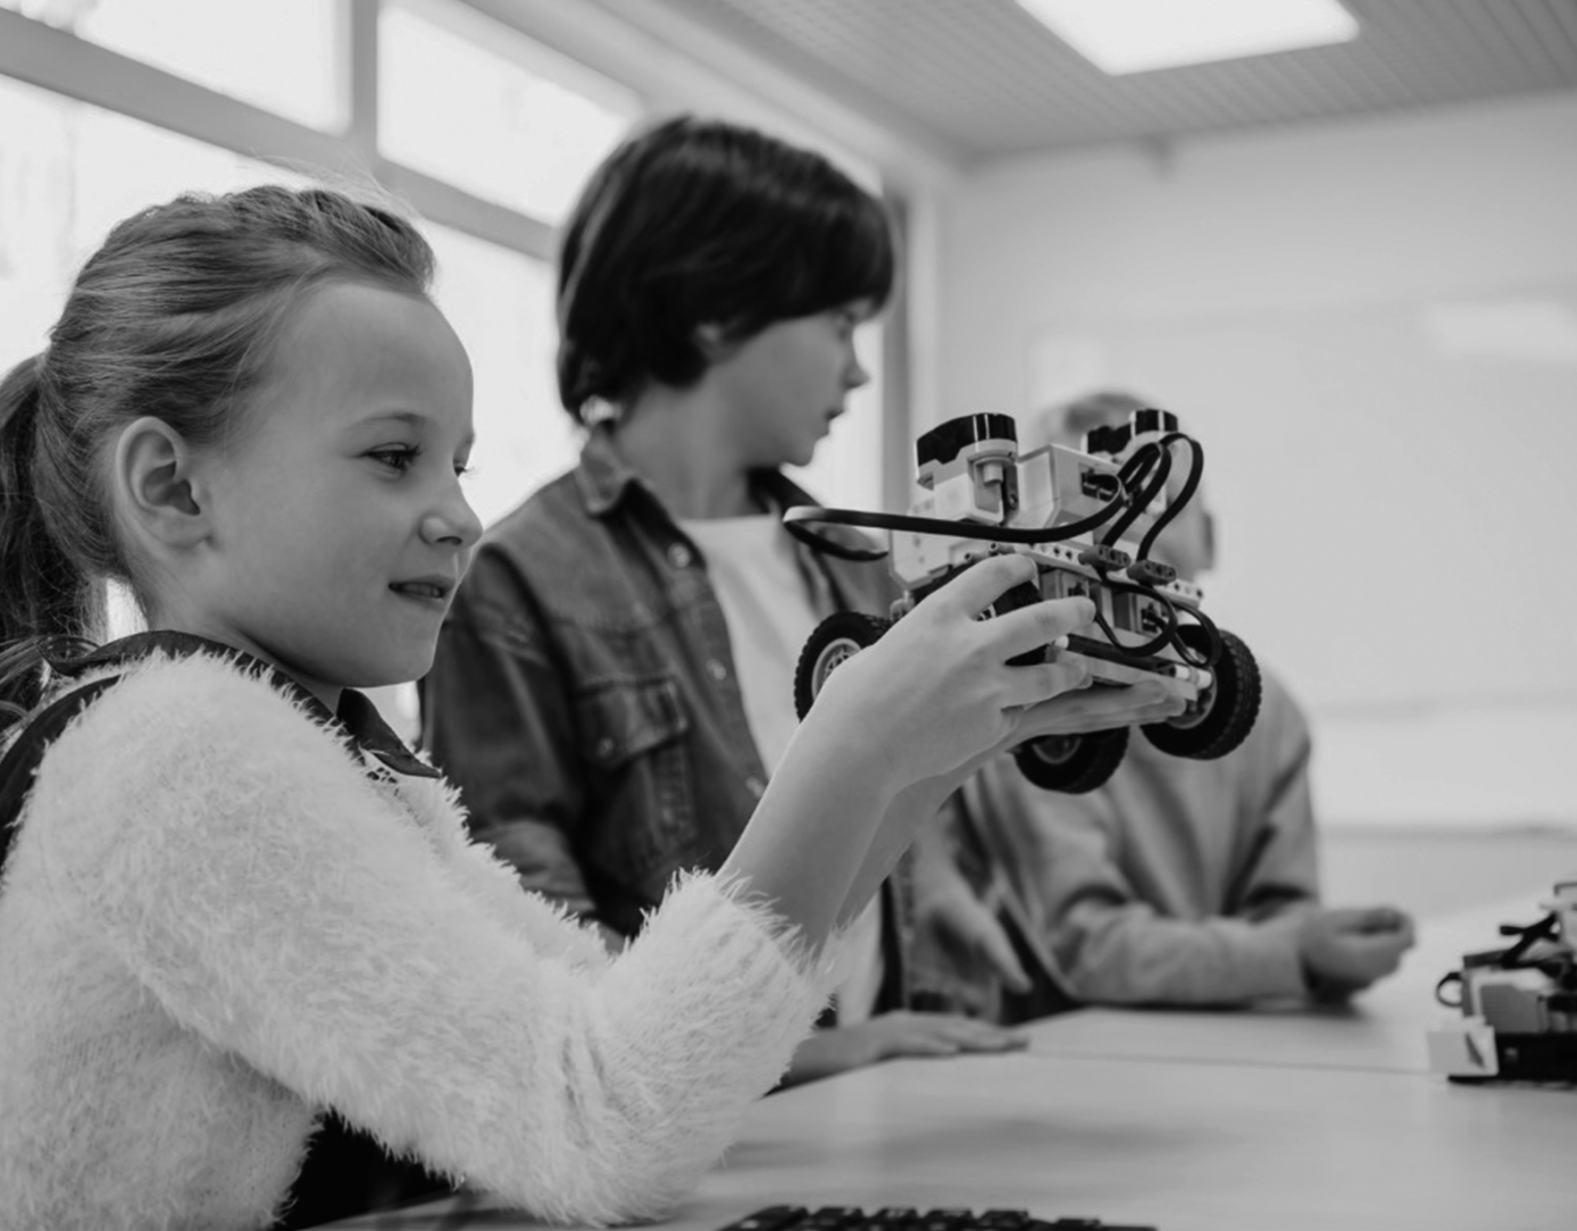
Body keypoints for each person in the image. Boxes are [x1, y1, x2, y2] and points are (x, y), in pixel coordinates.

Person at [0, 185, 1175, 1230]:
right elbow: (602, 1123)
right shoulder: (182, 760)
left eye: (457, 462)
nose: (460, 513)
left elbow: (626, 1017)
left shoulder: (292, 747)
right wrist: (856, 751)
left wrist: (924, 759)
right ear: (171, 486)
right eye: (392, 456)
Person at [420, 116, 1033, 1083]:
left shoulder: (855, 560)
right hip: (700, 1151)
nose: (858, 366)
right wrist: (817, 1057)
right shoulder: (518, 582)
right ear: (714, 311)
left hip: (886, 1104)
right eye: (838, 323)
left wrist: (943, 883)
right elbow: (541, 965)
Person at [951, 390, 1417, 1017]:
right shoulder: (1024, 696)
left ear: (1213, 539)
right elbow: (1086, 945)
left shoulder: (1269, 710)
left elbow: (1286, 919)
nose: (1139, 523)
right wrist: (1292, 955)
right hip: (1065, 1051)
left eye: (1164, 500)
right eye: (1102, 495)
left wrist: (1310, 950)